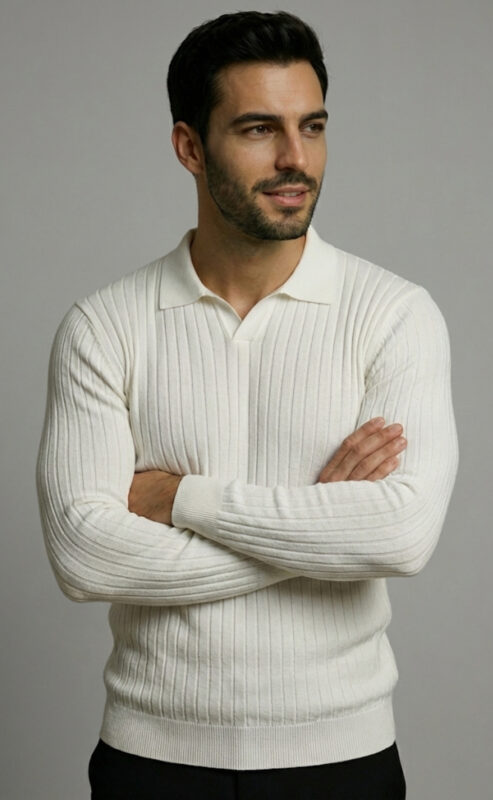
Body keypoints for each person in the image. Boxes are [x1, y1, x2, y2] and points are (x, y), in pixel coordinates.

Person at [36, 10, 458, 799]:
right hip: (150, 761)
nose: (295, 158)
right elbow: (85, 556)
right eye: (259, 129)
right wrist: (322, 531)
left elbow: (399, 535)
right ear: (189, 147)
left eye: (312, 126)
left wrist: (180, 500)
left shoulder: (394, 314)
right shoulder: (104, 326)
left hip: (343, 761)